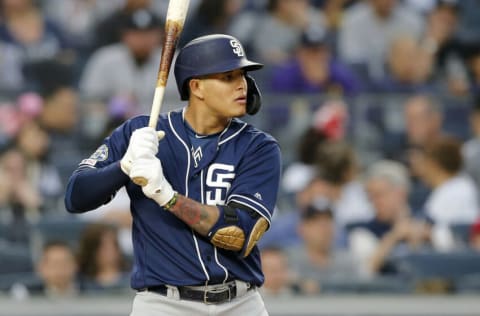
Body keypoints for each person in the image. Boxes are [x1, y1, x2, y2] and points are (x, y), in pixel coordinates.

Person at [65, 34, 281, 316]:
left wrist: (166, 196)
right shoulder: (141, 132)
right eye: (228, 76)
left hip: (240, 304)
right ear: (197, 87)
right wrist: (124, 167)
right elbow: (76, 197)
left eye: (242, 75)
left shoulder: (258, 147)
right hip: (163, 304)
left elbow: (239, 235)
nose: (242, 85)